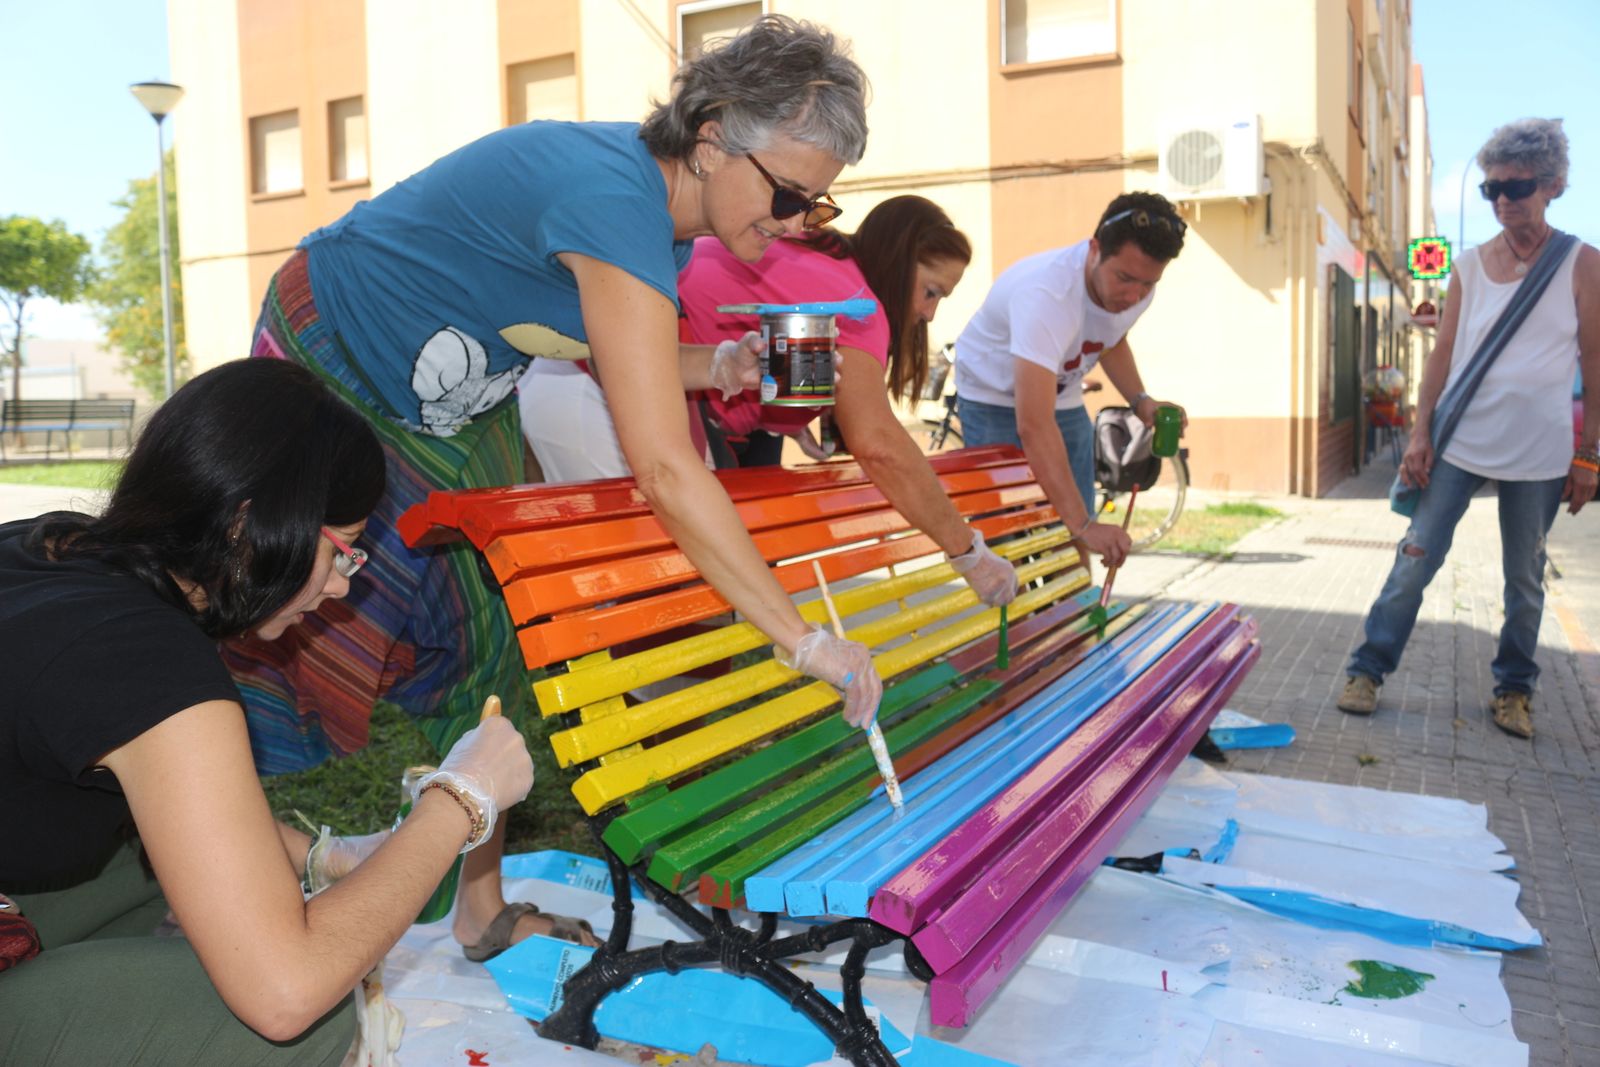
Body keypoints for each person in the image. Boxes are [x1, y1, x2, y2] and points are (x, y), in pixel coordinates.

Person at [223, 15, 883, 963]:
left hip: (453, 393)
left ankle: (479, 908)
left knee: (492, 631)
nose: (790, 223)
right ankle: (200, 845)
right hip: (342, 357)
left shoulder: (665, 234)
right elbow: (663, 466)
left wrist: (716, 364)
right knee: (261, 602)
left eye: (813, 209)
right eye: (786, 194)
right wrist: (801, 636)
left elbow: (599, 346)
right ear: (710, 137)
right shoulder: (613, 197)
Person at [0, 359, 537, 1065]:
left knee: (163, 870)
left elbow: (183, 803)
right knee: (306, 1015)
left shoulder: (54, 546)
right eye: (342, 550)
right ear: (250, 524)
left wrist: (326, 857)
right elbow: (285, 993)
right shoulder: (154, 669)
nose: (343, 586)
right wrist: (461, 798)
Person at [521, 195, 1017, 608]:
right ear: (901, 258)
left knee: (682, 584)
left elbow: (744, 345)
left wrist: (789, 419)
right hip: (590, 387)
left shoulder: (823, 262)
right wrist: (968, 551)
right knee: (666, 584)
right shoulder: (857, 303)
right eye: (930, 291)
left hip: (594, 380)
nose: (928, 313)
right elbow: (880, 446)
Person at [1338, 118, 1600, 739]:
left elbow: (1595, 364)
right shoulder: (1471, 268)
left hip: (1540, 454)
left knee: (1525, 579)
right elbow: (1443, 357)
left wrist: (1590, 454)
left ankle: (1514, 691)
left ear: (1555, 185)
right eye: (1492, 190)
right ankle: (1367, 670)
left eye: (1518, 187)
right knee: (1415, 560)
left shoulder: (1583, 264)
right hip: (1461, 444)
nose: (1505, 201)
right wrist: (1420, 435)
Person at [953, 191, 1189, 570]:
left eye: (1147, 284)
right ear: (1094, 249)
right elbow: (1033, 425)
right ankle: (1009, 623)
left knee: (1072, 528)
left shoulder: (1137, 288)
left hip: (1060, 396)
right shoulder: (1047, 295)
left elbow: (1111, 341)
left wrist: (1141, 400)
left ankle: (1071, 619)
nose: (1134, 295)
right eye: (1125, 278)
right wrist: (1083, 525)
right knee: (1004, 532)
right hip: (992, 396)